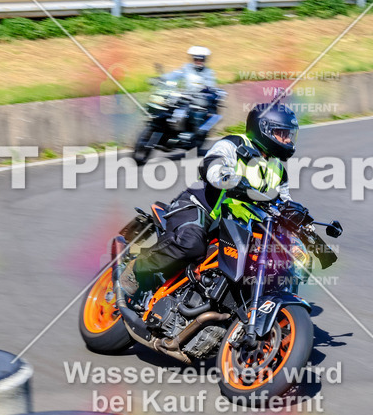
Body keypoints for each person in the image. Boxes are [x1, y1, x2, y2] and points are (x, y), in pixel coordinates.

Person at [120, 102, 308, 309]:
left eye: (290, 134)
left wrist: (302, 224)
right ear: (264, 129)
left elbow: (284, 203)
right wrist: (226, 178)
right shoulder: (233, 144)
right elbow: (213, 164)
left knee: (271, 262)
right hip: (203, 209)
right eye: (283, 133)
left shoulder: (279, 171)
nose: (289, 140)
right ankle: (136, 268)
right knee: (191, 243)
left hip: (237, 227)